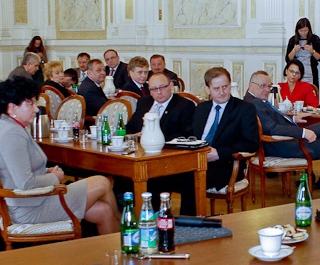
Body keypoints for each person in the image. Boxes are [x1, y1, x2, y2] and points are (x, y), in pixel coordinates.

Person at [0, 76, 120, 234]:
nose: (36, 109)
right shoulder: (12, 134)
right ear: (12, 108)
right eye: (30, 104)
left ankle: (116, 247)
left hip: (34, 200)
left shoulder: (10, 127)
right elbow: (25, 184)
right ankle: (127, 228)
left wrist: (46, 171)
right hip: (29, 209)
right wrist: (54, 177)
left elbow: (17, 169)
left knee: (103, 211)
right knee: (102, 182)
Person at [245, 71, 320, 190]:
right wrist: (303, 132)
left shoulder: (251, 100)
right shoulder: (256, 103)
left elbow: (272, 121)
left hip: (284, 141)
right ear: (251, 85)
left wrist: (294, 119)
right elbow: (273, 129)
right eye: (263, 86)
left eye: (269, 86)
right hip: (282, 144)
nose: (267, 90)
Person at [125, 72, 197, 213]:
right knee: (121, 178)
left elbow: (186, 134)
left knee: (152, 181)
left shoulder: (184, 105)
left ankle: (154, 217)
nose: (158, 92)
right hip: (139, 154)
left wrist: (156, 138)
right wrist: (133, 136)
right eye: (153, 89)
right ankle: (125, 215)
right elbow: (130, 127)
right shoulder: (144, 102)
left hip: (166, 159)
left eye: (162, 87)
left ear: (171, 86)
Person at [191, 68, 259, 191]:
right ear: (207, 89)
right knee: (163, 176)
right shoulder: (201, 109)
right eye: (216, 88)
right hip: (197, 161)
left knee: (190, 181)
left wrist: (219, 153)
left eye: (225, 87)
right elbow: (191, 136)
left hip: (226, 164)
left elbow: (251, 144)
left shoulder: (244, 109)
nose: (222, 92)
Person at [285, 17, 320, 89]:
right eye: (301, 31)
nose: (303, 33)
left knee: (311, 92)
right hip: (296, 74)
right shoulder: (293, 40)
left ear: (309, 30)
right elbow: (288, 59)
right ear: (297, 30)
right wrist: (294, 51)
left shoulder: (315, 39)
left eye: (305, 30)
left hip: (311, 74)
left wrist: (312, 51)